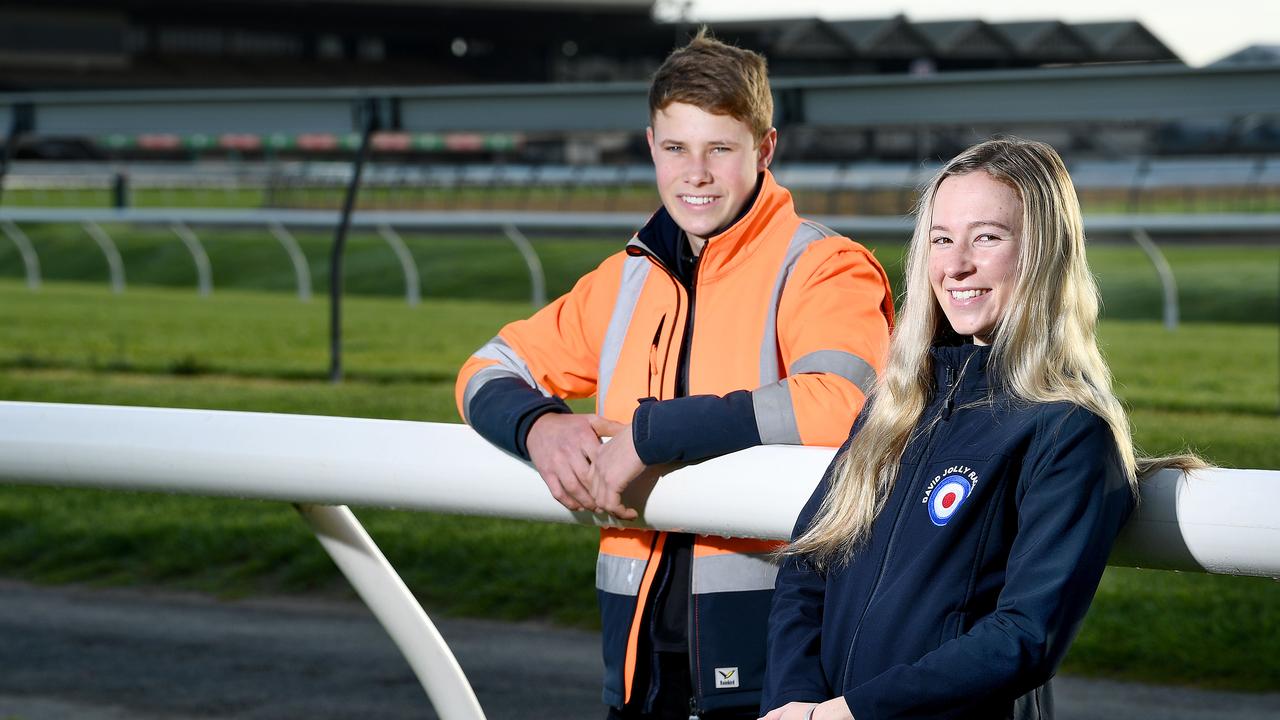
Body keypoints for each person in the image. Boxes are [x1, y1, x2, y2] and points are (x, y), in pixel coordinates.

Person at [455, 30, 894, 720]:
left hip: (781, 660)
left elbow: (844, 405)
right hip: (638, 663)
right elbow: (487, 367)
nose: (696, 173)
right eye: (675, 148)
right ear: (651, 146)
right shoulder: (624, 277)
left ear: (765, 149)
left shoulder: (823, 267)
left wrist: (652, 434)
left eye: (720, 148)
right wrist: (539, 428)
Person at [759, 138, 1205, 720]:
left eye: (987, 237)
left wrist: (852, 713)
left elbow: (1025, 636)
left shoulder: (1066, 429)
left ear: (1043, 253)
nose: (955, 264)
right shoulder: (896, 405)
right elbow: (808, 565)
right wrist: (795, 705)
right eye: (941, 239)